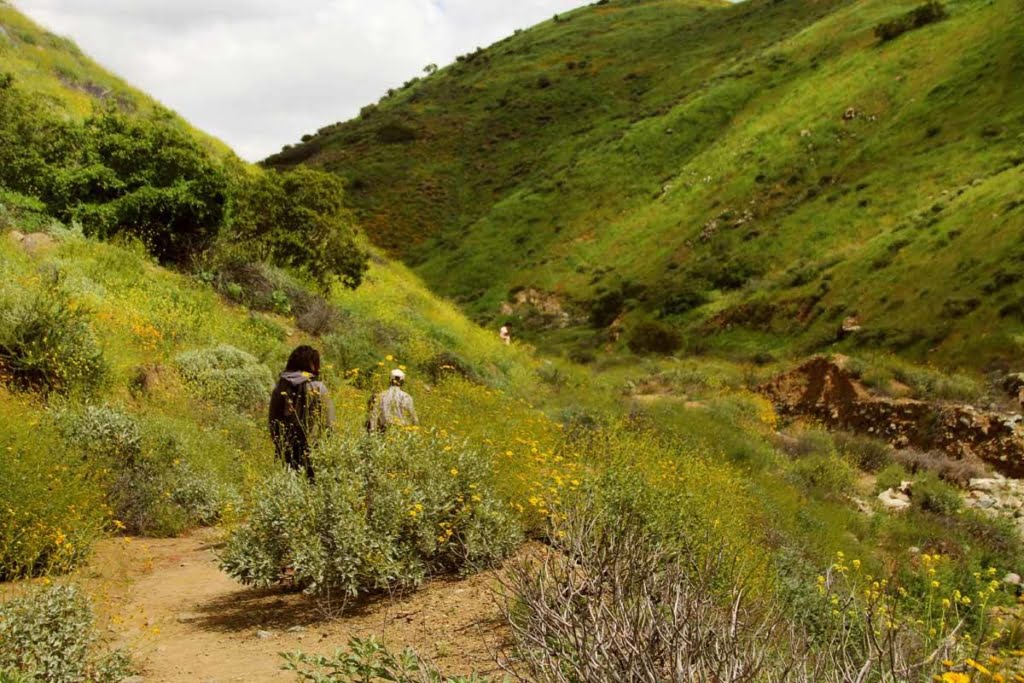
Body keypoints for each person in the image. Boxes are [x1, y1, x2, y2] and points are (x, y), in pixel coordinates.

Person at [268, 345, 335, 481]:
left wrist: (278, 443)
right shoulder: (317, 387)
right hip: (313, 446)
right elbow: (330, 422)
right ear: (311, 364)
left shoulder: (280, 385)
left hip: (286, 445)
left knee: (289, 483)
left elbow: (272, 418)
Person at [367, 368, 419, 433]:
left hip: (384, 431)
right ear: (402, 381)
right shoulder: (407, 397)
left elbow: (374, 416)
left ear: (389, 380)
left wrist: (372, 432)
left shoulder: (380, 396)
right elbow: (413, 417)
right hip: (402, 432)